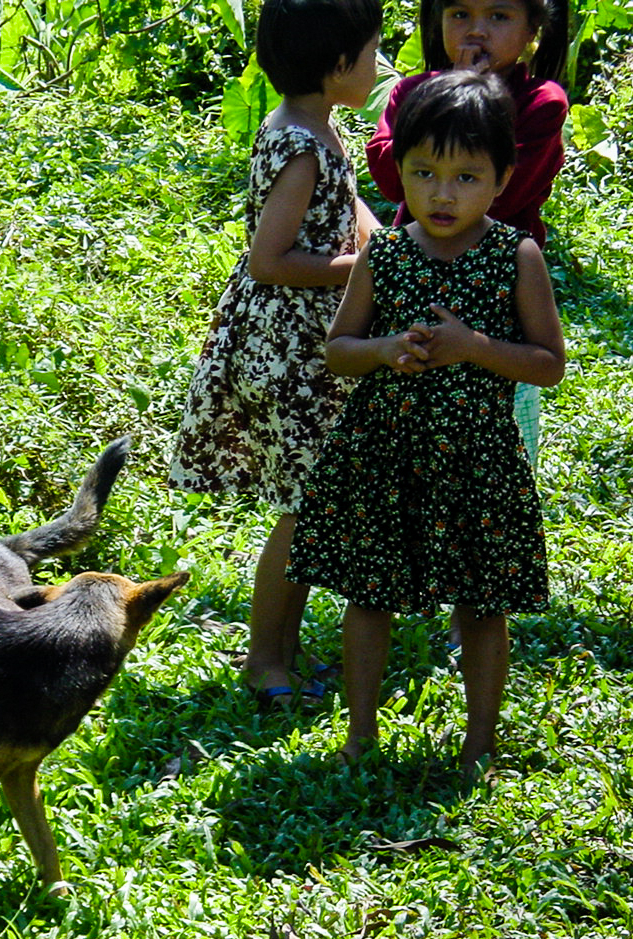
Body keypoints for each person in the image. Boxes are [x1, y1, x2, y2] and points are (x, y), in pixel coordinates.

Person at [286, 71, 566, 778]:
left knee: (481, 604)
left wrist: (475, 347)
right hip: (387, 454)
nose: (443, 194)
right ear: (399, 170)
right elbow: (339, 352)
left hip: (478, 460)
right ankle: (360, 733)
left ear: (503, 179)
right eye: (424, 173)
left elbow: (548, 364)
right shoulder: (383, 255)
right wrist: (383, 350)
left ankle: (480, 741)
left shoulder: (516, 257)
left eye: (466, 177)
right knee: (369, 597)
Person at [168, 0, 384, 709]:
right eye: (372, 50)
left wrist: (389, 247)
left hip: (306, 350)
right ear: (336, 65)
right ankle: (265, 660)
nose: (379, 63)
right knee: (303, 509)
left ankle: (284, 651)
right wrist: (358, 270)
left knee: (310, 504)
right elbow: (270, 258)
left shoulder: (318, 127)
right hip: (289, 355)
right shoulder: (301, 147)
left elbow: (353, 212)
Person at [366, 0, 569, 463]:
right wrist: (444, 96)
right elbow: (387, 174)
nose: (476, 32)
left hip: (499, 292)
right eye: (460, 15)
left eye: (498, 17)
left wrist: (473, 95)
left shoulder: (541, 102)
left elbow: (508, 194)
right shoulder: (410, 93)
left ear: (532, 26)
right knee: (407, 414)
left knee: (495, 429)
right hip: (415, 276)